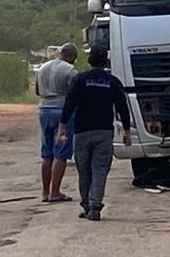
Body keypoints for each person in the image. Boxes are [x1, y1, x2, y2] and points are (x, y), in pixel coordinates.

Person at [56, 47, 133, 222]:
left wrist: (62, 128)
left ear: (90, 60)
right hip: (104, 132)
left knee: (84, 171)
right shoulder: (112, 81)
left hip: (82, 132)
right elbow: (122, 108)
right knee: (99, 170)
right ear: (106, 61)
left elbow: (69, 105)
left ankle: (86, 205)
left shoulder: (79, 80)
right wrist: (127, 131)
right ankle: (95, 205)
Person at [34, 43, 78, 203]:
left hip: (44, 109)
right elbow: (74, 94)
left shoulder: (43, 68)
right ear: (73, 56)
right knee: (61, 151)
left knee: (47, 153)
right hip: (62, 112)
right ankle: (55, 192)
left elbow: (37, 91)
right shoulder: (70, 71)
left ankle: (45, 192)